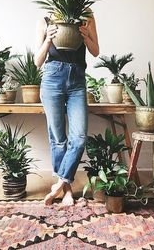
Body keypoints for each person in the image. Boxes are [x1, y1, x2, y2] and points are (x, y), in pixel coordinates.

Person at [35, 12, 99, 206]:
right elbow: (37, 61)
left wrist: (87, 36)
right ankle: (67, 191)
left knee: (78, 139)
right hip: (52, 78)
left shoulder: (86, 16)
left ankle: (59, 184)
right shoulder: (45, 20)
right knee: (58, 139)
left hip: (77, 80)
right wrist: (48, 39)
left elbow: (95, 51)